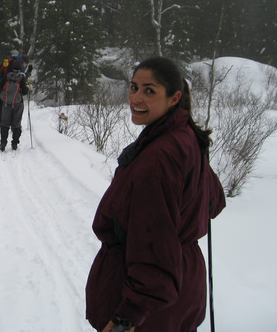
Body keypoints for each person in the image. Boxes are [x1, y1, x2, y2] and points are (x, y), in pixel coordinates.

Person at [85, 56, 226, 332]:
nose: (136, 98)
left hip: (150, 309)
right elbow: (214, 202)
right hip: (183, 290)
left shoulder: (159, 158)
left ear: (174, 98)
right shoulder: (186, 136)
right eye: (134, 87)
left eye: (149, 91)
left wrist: (127, 318)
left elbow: (153, 245)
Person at [0, 58, 29, 151]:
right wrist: (27, 87)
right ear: (20, 68)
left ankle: (3, 143)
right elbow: (24, 92)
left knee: (4, 124)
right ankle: (14, 144)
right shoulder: (22, 78)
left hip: (6, 104)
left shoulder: (6, 76)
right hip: (18, 104)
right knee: (16, 124)